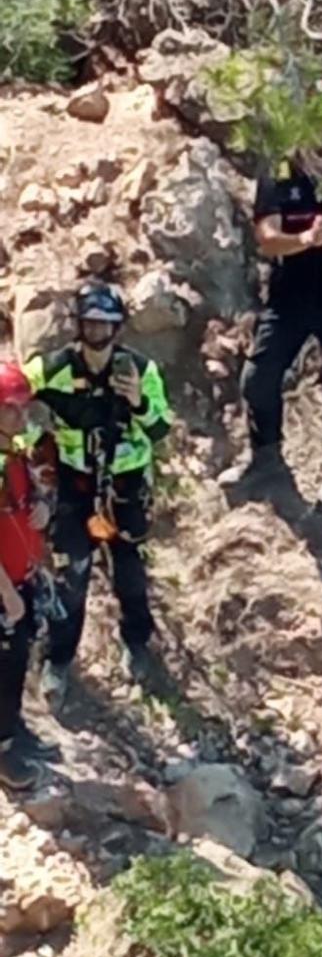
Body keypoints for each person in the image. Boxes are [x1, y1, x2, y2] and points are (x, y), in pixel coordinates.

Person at [24, 282, 172, 707]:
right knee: (73, 574)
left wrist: (139, 403)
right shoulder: (56, 367)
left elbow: (161, 428)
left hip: (125, 484)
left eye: (105, 324)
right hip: (77, 483)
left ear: (118, 328)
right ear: (78, 325)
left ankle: (137, 644)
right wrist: (32, 441)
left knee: (129, 571)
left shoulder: (140, 371)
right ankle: (57, 661)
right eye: (90, 323)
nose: (97, 333)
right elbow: (13, 391)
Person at [222, 150, 322, 501]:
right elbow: (267, 237)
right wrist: (305, 239)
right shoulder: (279, 171)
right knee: (258, 377)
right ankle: (265, 458)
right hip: (291, 296)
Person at [0, 362, 57, 792]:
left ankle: (14, 729)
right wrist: (7, 594)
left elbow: (25, 508)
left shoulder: (14, 455)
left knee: (17, 660)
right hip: (4, 590)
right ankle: (4, 753)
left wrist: (43, 510)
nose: (21, 417)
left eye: (23, 407)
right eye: (12, 409)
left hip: (20, 580)